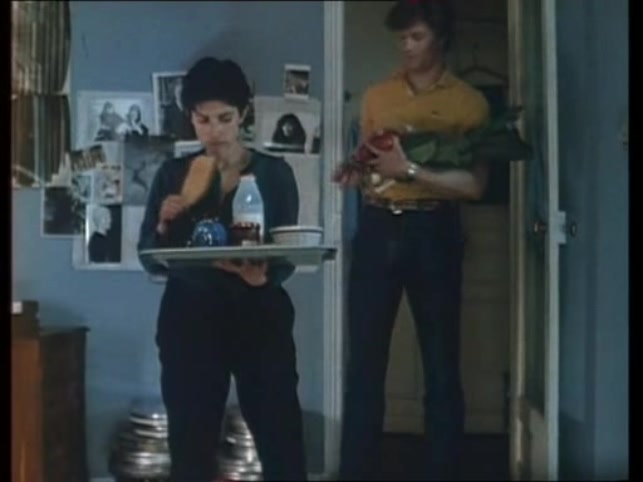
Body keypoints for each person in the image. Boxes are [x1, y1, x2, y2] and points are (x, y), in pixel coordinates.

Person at [335, 1, 490, 480]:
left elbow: (475, 186)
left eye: (416, 37)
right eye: (401, 38)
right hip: (378, 226)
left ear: (439, 38)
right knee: (364, 364)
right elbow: (369, 164)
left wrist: (412, 170)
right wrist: (355, 170)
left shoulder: (469, 103)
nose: (406, 47)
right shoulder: (377, 96)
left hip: (433, 230)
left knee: (441, 364)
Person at [137, 57, 306, 482]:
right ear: (190, 118)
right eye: (203, 120)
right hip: (190, 312)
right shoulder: (173, 173)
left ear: (243, 114)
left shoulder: (274, 173)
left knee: (280, 435)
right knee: (191, 441)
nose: (214, 131)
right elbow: (148, 255)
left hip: (258, 310)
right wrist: (163, 225)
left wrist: (264, 277)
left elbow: (286, 249)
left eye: (225, 118)